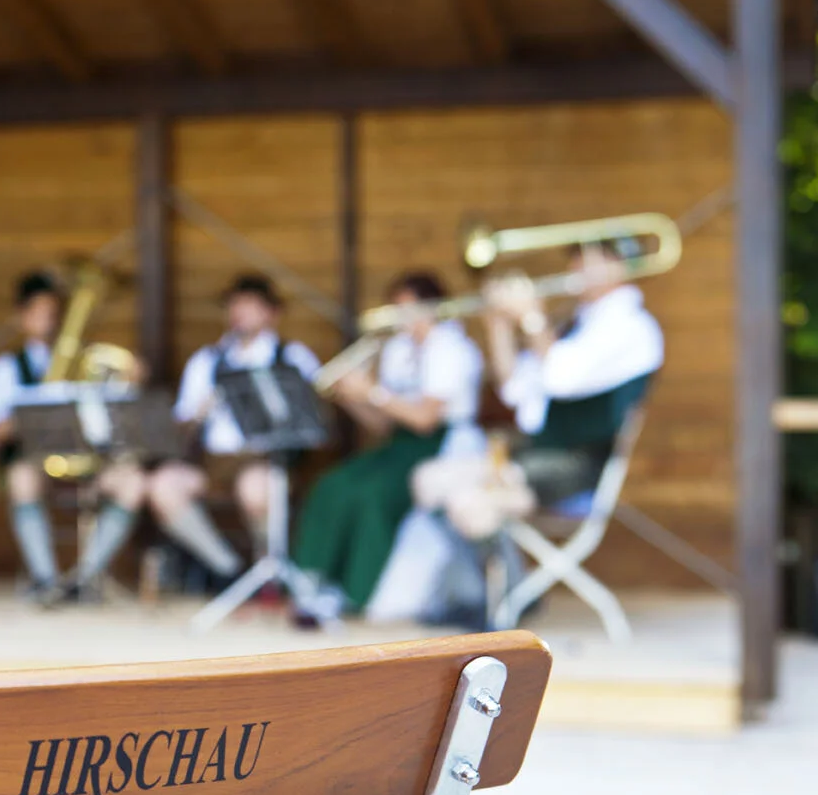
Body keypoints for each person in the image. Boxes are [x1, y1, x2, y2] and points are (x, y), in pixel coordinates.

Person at [292, 272, 482, 618]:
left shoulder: (452, 348)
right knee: (334, 485)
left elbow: (425, 420)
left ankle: (359, 593)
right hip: (401, 445)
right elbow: (383, 423)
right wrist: (350, 397)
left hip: (443, 447)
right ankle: (315, 582)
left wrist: (372, 392)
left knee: (374, 496)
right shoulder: (397, 349)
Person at [0, 271, 147, 600]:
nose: (48, 322)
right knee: (21, 479)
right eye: (39, 314)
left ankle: (83, 579)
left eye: (54, 315)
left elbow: (118, 416)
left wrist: (130, 378)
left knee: (133, 482)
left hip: (88, 462)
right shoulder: (8, 368)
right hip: (38, 462)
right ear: (22, 317)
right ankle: (46, 581)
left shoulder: (90, 360)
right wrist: (26, 414)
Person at [147, 274, 320, 582]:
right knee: (162, 486)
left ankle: (270, 574)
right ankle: (230, 572)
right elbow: (181, 425)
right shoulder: (208, 360)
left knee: (256, 490)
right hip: (212, 459)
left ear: (272, 313)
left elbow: (311, 417)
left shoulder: (292, 356)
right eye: (235, 305)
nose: (240, 312)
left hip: (266, 458)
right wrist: (198, 413)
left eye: (250, 305)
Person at [482, 238, 663, 505]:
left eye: (590, 258)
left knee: (471, 503)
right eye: (577, 257)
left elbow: (560, 379)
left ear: (620, 266)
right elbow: (514, 390)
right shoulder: (577, 323)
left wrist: (531, 317)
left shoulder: (631, 326)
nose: (575, 267)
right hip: (542, 451)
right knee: (431, 481)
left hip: (581, 464)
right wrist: (498, 325)